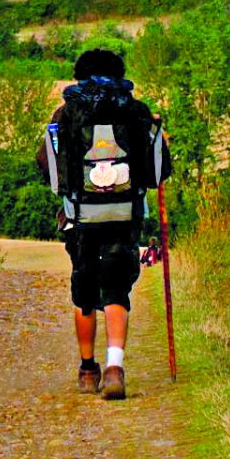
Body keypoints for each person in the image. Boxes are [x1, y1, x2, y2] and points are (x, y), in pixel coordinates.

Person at [37, 48, 169, 401]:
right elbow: (159, 173)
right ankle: (114, 368)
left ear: (80, 75)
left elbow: (48, 169)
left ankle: (86, 370)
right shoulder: (137, 112)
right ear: (119, 73)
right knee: (116, 289)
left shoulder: (65, 114)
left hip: (80, 219)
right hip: (125, 217)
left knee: (84, 293)